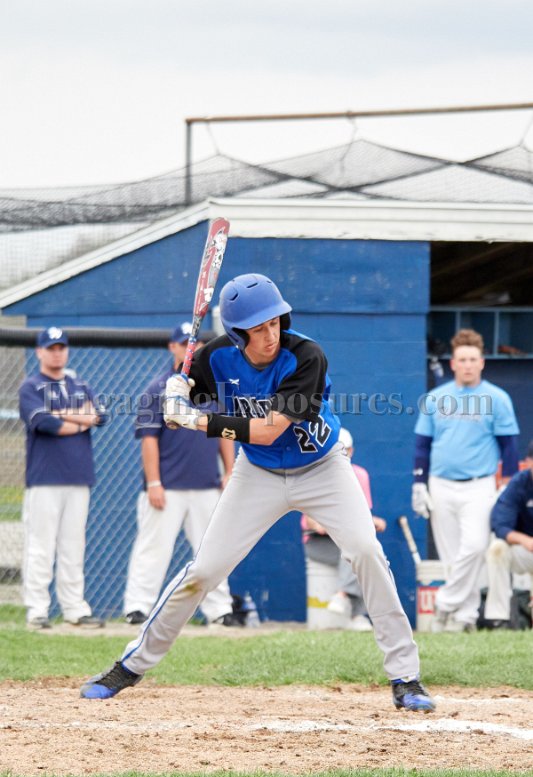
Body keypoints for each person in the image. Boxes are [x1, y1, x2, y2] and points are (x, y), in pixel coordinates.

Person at [81, 273, 434, 712]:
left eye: (274, 322)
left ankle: (406, 677)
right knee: (204, 571)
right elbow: (185, 389)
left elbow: (268, 431)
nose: (270, 334)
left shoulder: (305, 356)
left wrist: (194, 419)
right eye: (258, 328)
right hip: (258, 474)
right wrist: (176, 391)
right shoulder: (215, 357)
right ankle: (130, 666)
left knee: (367, 552)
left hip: (322, 468)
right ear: (237, 333)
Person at [123, 323, 236, 626]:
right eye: (184, 343)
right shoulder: (158, 388)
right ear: (172, 348)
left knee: (212, 550)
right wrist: (154, 482)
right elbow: (148, 438)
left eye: (195, 343)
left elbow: (225, 431)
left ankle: (220, 610)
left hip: (206, 484)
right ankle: (138, 607)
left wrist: (229, 471)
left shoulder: (213, 388)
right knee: (153, 548)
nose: (191, 348)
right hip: (167, 487)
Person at [411, 328, 520, 633]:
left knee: (474, 547)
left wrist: (507, 484)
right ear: (453, 364)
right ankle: (465, 617)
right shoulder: (435, 399)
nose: (468, 365)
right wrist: (418, 483)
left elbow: (509, 446)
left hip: (480, 484)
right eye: (462, 360)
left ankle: (445, 603)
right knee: (452, 556)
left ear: (482, 362)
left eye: (473, 359)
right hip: (440, 484)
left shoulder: (498, 398)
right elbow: (421, 445)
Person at [19, 326, 107, 629]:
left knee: (73, 546)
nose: (57, 353)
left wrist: (62, 414)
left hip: (78, 477)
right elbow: (44, 424)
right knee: (40, 546)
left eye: (61, 348)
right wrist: (81, 418)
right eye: (51, 348)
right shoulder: (31, 386)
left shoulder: (79, 383)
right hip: (45, 478)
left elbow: (100, 415)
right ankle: (37, 610)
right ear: (39, 352)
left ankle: (74, 609)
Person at [302, 427, 387, 632]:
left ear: (351, 451)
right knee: (355, 551)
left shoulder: (360, 475)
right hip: (319, 543)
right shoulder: (313, 473)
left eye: (345, 450)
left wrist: (373, 521)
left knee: (367, 553)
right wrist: (322, 525)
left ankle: (345, 599)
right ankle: (355, 612)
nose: (341, 455)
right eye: (335, 450)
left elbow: (361, 515)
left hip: (345, 540)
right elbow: (310, 519)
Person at [484, 440, 533, 627]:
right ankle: (499, 618)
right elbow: (500, 525)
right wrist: (525, 540)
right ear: (528, 462)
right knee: (497, 549)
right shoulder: (519, 484)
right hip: (525, 551)